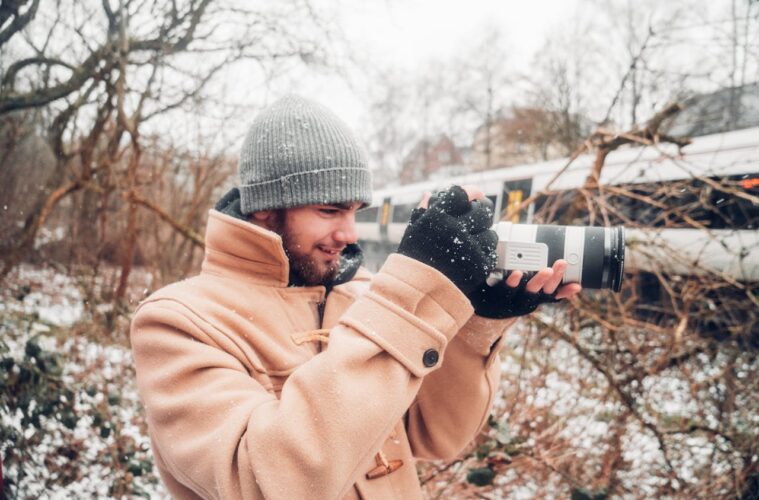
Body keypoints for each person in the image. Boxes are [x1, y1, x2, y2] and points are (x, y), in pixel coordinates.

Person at [130, 95, 581, 500]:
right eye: (328, 210)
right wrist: (409, 296)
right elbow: (260, 483)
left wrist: (475, 326)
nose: (348, 233)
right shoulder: (178, 322)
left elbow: (435, 437)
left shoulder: (362, 291)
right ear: (263, 208)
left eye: (353, 212)